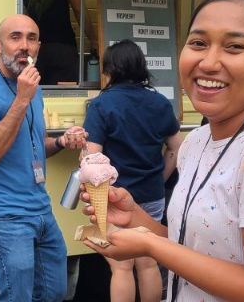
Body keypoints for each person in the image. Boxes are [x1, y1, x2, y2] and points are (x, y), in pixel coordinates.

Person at [80, 0, 244, 302]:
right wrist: (133, 217)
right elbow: (195, 250)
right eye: (198, 42)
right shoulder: (197, 140)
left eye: (234, 47)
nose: (209, 62)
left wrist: (149, 245)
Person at [0, 14, 88, 302]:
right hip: (4, 216)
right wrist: (22, 98)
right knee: (18, 297)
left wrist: (60, 142)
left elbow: (32, 146)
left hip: (40, 210)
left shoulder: (32, 88)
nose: (25, 45)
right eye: (16, 37)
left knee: (54, 292)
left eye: (32, 38)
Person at [81, 38, 182, 302]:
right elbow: (175, 148)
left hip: (115, 199)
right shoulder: (160, 103)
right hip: (152, 194)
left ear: (110, 71)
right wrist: (160, 178)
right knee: (148, 261)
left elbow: (93, 158)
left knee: (121, 265)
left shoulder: (101, 105)